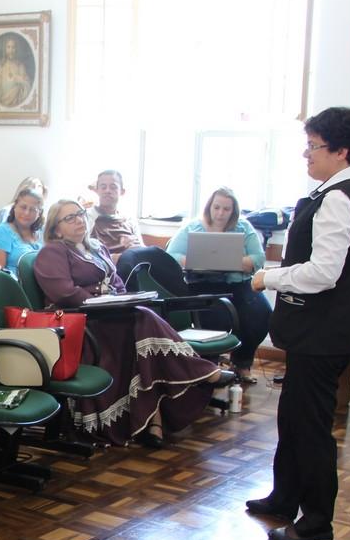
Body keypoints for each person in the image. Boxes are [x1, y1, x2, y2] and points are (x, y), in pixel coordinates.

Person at [246, 107, 350, 540]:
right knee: (292, 416)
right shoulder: (332, 191)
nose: (307, 154)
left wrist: (269, 277)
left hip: (325, 333)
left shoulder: (339, 197)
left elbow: (323, 273)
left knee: (311, 427)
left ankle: (317, 522)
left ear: (341, 152)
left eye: (314, 146)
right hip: (315, 331)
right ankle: (285, 497)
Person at [34, 199, 230, 448]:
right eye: (69, 218)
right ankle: (200, 373)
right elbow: (63, 292)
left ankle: (154, 421)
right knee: (143, 318)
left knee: (142, 324)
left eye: (80, 214)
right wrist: (100, 299)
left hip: (109, 315)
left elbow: (117, 283)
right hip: (80, 322)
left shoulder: (96, 247)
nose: (78, 220)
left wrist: (117, 299)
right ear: (56, 229)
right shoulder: (53, 252)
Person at [166, 187, 271, 384]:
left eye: (226, 209)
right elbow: (171, 255)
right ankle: (209, 367)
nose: (220, 213)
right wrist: (195, 260)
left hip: (239, 284)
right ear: (209, 206)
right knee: (216, 318)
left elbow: (258, 258)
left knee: (260, 314)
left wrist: (228, 262)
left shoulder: (244, 227)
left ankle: (242, 363)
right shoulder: (192, 227)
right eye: (216, 207)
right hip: (202, 285)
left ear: (234, 211)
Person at [0, 187, 44, 276]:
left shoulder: (43, 233)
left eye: (32, 209)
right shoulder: (1, 232)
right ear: (15, 207)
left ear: (39, 213)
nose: (26, 213)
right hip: (14, 284)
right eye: (23, 207)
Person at [87, 170, 144, 262]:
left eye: (113, 187)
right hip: (101, 265)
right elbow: (81, 253)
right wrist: (111, 258)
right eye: (103, 187)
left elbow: (142, 249)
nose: (107, 191)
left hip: (131, 264)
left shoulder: (130, 220)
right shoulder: (86, 217)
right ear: (97, 190)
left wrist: (136, 247)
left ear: (122, 191)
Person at [0, 35, 31, 107]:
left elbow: (27, 85)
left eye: (13, 47)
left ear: (16, 49)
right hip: (2, 103)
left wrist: (20, 80)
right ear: (5, 49)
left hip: (16, 103)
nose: (11, 50)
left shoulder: (20, 66)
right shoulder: (0, 67)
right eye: (8, 47)